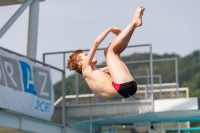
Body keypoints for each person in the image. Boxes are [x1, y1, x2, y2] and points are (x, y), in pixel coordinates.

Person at [67, 6, 145, 100]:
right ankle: (133, 23)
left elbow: (115, 65)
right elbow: (96, 43)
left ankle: (134, 26)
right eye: (86, 55)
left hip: (127, 88)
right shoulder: (86, 69)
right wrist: (109, 29)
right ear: (81, 63)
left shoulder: (97, 72)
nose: (89, 55)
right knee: (109, 52)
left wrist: (117, 43)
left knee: (114, 53)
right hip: (123, 87)